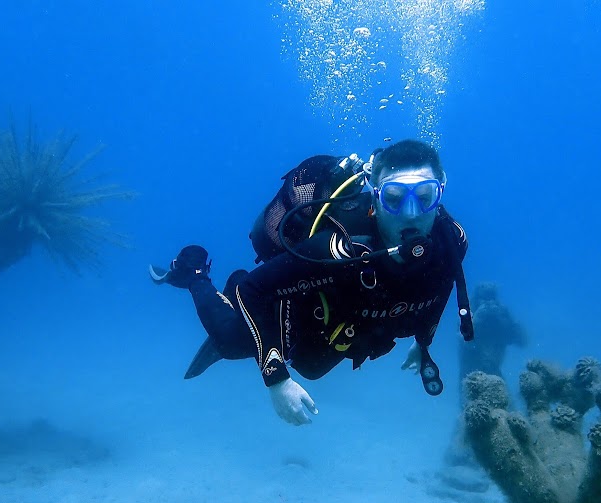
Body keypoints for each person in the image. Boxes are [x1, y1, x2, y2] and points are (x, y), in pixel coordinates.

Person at [150, 139, 474, 426]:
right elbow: (253, 290)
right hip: (289, 306)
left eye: (425, 195)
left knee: (313, 367)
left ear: (440, 192)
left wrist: (423, 341)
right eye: (394, 197)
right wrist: (276, 379)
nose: (411, 213)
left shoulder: (452, 242)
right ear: (375, 198)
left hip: (341, 329)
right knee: (230, 341)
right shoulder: (338, 249)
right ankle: (193, 273)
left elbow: (443, 286)